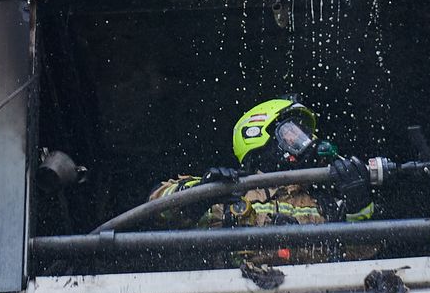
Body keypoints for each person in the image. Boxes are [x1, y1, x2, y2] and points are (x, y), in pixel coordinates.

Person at [146, 99, 375, 259]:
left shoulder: (326, 203)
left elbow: (362, 255)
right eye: (293, 133)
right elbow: (156, 211)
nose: (308, 141)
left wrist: (358, 204)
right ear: (257, 135)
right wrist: (201, 193)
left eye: (306, 133)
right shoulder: (226, 195)